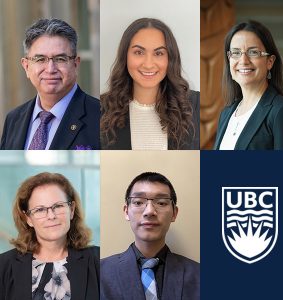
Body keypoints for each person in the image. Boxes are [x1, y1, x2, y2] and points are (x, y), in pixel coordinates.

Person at [0, 18, 100, 150]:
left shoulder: (102, 117)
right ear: (26, 66)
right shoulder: (13, 119)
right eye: (40, 59)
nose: (50, 69)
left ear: (75, 64)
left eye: (60, 59)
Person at [100, 18, 200, 150]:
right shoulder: (100, 109)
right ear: (125, 56)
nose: (148, 64)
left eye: (158, 53)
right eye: (139, 52)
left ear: (170, 58)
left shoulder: (196, 104)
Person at [100, 172, 200, 299]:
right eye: (138, 202)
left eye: (161, 203)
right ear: (126, 211)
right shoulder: (98, 273)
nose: (149, 211)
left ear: (174, 213)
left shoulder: (199, 275)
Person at [0, 172, 99, 300]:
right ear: (28, 218)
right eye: (40, 209)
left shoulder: (99, 261)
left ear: (72, 210)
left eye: (58, 206)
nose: (51, 216)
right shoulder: (3, 265)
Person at [214, 20, 283, 150]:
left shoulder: (282, 112)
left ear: (270, 62)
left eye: (253, 52)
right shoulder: (226, 114)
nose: (243, 61)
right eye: (236, 53)